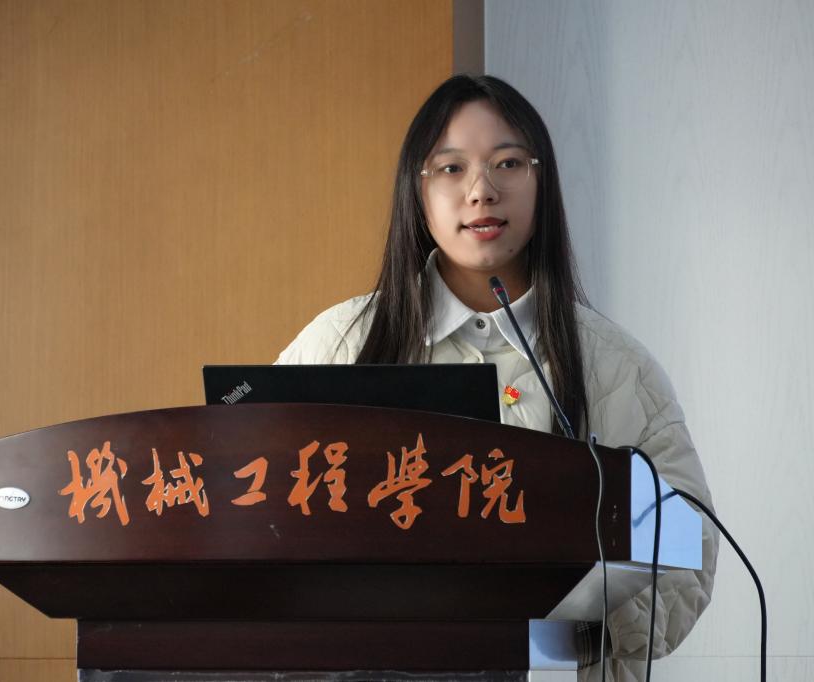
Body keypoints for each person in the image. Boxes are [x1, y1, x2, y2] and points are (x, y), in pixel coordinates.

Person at [276, 74, 718, 682]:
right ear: (417, 190)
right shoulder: (338, 343)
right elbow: (255, 514)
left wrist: (571, 617)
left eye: (508, 163)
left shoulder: (618, 367)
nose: (481, 190)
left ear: (542, 181)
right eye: (451, 168)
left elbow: (690, 555)